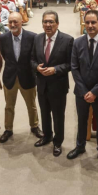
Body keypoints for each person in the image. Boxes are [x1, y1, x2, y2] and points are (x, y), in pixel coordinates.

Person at [67, 10, 98, 166]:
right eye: (87, 22)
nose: (90, 25)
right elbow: (74, 68)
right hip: (81, 91)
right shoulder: (77, 42)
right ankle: (80, 146)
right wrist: (83, 91)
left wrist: (94, 92)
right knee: (81, 121)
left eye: (93, 22)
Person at [31, 10, 73, 156]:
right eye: (45, 22)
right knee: (44, 113)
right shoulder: (37, 38)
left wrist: (55, 69)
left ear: (57, 24)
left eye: (51, 22)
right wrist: (36, 67)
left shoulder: (67, 40)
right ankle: (47, 136)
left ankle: (57, 141)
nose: (48, 25)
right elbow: (32, 59)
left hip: (58, 86)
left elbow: (71, 64)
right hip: (42, 84)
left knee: (58, 115)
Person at [0, 12, 43, 143]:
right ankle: (8, 129)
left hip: (27, 76)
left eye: (15, 22)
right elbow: (5, 56)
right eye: (10, 22)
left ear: (22, 21)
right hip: (10, 77)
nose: (12, 24)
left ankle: (34, 126)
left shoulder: (33, 37)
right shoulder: (3, 38)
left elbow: (34, 57)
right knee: (9, 106)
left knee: (31, 105)